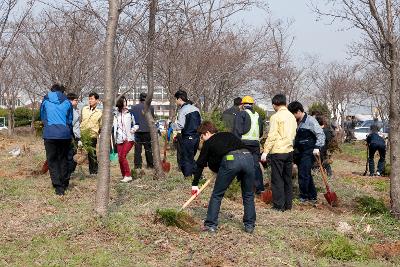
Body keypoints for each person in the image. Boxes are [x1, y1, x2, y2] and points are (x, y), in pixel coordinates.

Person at [192, 121, 256, 233]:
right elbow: (217, 161)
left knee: (217, 194)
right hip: (248, 158)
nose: (202, 139)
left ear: (207, 132)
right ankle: (249, 225)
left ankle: (210, 225)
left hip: (231, 160)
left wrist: (195, 185)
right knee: (248, 194)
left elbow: (200, 164)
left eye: (202, 136)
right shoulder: (229, 135)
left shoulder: (209, 142)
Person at [260, 94, 297, 211]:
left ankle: (278, 205)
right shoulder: (292, 116)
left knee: (277, 179)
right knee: (287, 178)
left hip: (278, 151)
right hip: (289, 150)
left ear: (274, 104)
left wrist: (265, 151)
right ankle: (288, 204)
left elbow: (272, 135)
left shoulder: (275, 117)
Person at [287, 101, 325, 204]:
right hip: (299, 151)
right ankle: (312, 196)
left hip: (309, 151)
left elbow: (320, 135)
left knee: (303, 174)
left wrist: (317, 147)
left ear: (299, 111)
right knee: (306, 173)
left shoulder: (311, 121)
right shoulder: (295, 122)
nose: (293, 117)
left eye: (293, 114)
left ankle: (303, 196)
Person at [40, 84, 73, 195]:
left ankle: (58, 186)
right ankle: (64, 183)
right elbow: (70, 120)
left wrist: (49, 126)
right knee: (63, 159)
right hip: (64, 135)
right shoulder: (68, 102)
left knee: (52, 160)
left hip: (50, 134)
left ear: (51, 91)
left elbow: (43, 117)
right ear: (63, 91)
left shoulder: (45, 101)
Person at [232, 95, 264, 195]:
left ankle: (242, 186)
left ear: (242, 105)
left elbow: (237, 131)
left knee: (242, 165)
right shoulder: (258, 115)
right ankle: (259, 188)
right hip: (255, 144)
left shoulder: (242, 114)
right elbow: (261, 132)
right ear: (252, 104)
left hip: (244, 143)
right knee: (255, 166)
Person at [172, 89, 201, 179]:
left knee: (186, 158)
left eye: (176, 99)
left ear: (180, 99)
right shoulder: (196, 109)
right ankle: (198, 175)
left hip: (188, 137)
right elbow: (201, 123)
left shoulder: (183, 110)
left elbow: (180, 125)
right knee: (191, 157)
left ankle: (189, 176)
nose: (175, 101)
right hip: (196, 138)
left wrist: (172, 125)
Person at [113, 96, 138, 182]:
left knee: (123, 156)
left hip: (129, 138)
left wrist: (132, 130)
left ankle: (128, 175)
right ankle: (124, 175)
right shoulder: (116, 114)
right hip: (119, 138)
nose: (124, 103)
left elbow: (137, 124)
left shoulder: (130, 113)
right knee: (120, 158)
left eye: (125, 101)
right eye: (123, 102)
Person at [129, 92, 155, 172]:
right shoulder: (151, 107)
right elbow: (152, 119)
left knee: (137, 149)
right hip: (147, 130)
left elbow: (132, 120)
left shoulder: (134, 107)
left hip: (137, 130)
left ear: (139, 98)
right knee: (148, 148)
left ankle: (137, 165)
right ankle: (150, 164)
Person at [80, 92, 102, 176]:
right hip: (83, 133)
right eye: (89, 99)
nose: (90, 100)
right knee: (79, 152)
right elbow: (81, 120)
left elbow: (100, 125)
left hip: (92, 135)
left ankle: (93, 171)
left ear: (97, 100)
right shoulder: (84, 109)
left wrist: (97, 132)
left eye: (92, 99)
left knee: (92, 153)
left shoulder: (99, 112)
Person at [66, 93, 82, 181]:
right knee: (72, 155)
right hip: (71, 135)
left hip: (61, 135)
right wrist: (79, 138)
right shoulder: (74, 113)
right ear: (70, 100)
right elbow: (76, 127)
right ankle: (69, 172)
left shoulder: (61, 109)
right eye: (76, 100)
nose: (77, 102)